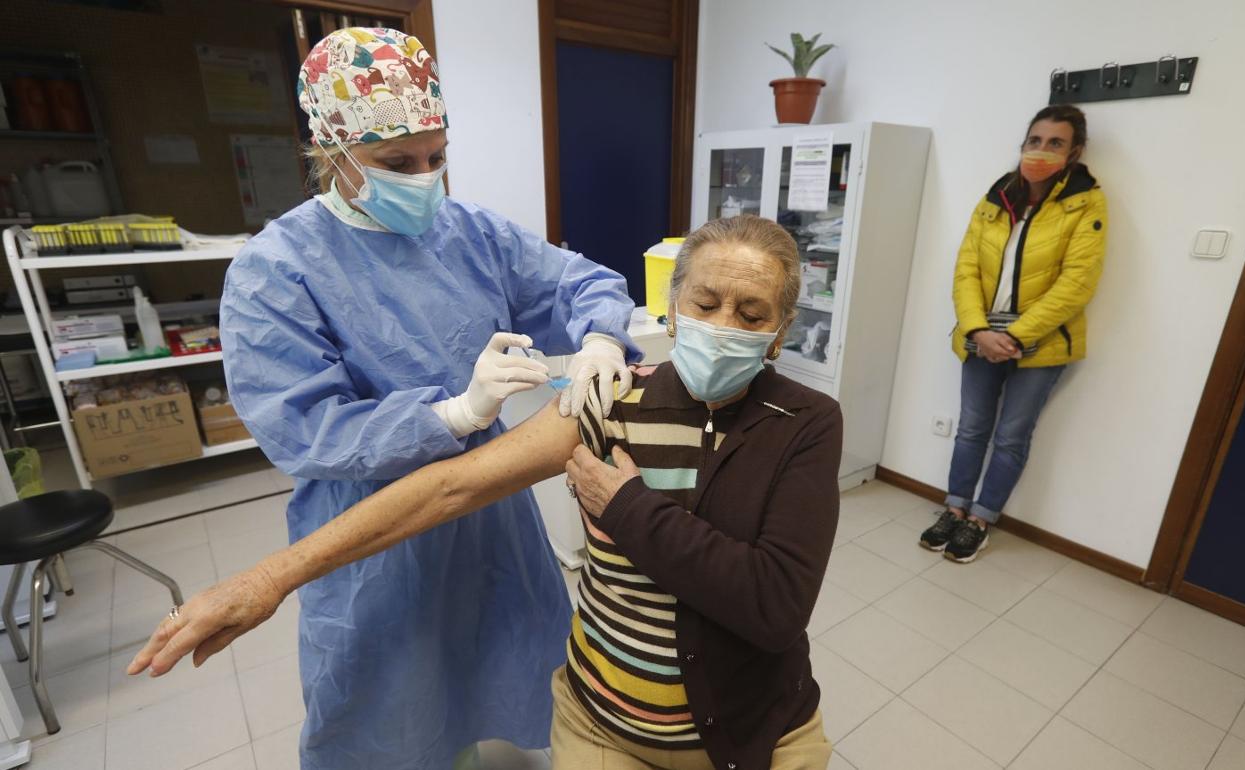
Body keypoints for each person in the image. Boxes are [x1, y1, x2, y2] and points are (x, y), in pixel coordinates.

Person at [132, 215, 843, 770]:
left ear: (780, 336)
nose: (723, 329)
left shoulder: (807, 423)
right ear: (671, 310)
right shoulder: (611, 403)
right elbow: (445, 488)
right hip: (606, 726)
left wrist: (627, 507)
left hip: (752, 729)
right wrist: (269, 577)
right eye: (706, 302)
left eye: (751, 316)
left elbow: (772, 605)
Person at [216, 27, 640, 769]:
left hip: (486, 512)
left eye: (437, 157)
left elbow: (580, 281)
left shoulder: (469, 232)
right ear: (332, 153)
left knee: (493, 658)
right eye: (396, 163)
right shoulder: (274, 271)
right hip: (372, 532)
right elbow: (305, 429)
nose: (425, 179)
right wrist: (454, 413)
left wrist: (601, 338)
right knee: (395, 709)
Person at [921, 104, 1107, 563]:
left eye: (1055, 143)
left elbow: (1077, 283)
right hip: (981, 334)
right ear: (1023, 145)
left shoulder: (1086, 202)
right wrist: (977, 329)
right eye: (1035, 141)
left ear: (1075, 151)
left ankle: (981, 520)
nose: (1041, 151)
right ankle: (954, 508)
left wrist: (1017, 336)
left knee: (1011, 436)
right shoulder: (996, 197)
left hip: (1042, 342)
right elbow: (966, 269)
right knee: (971, 429)